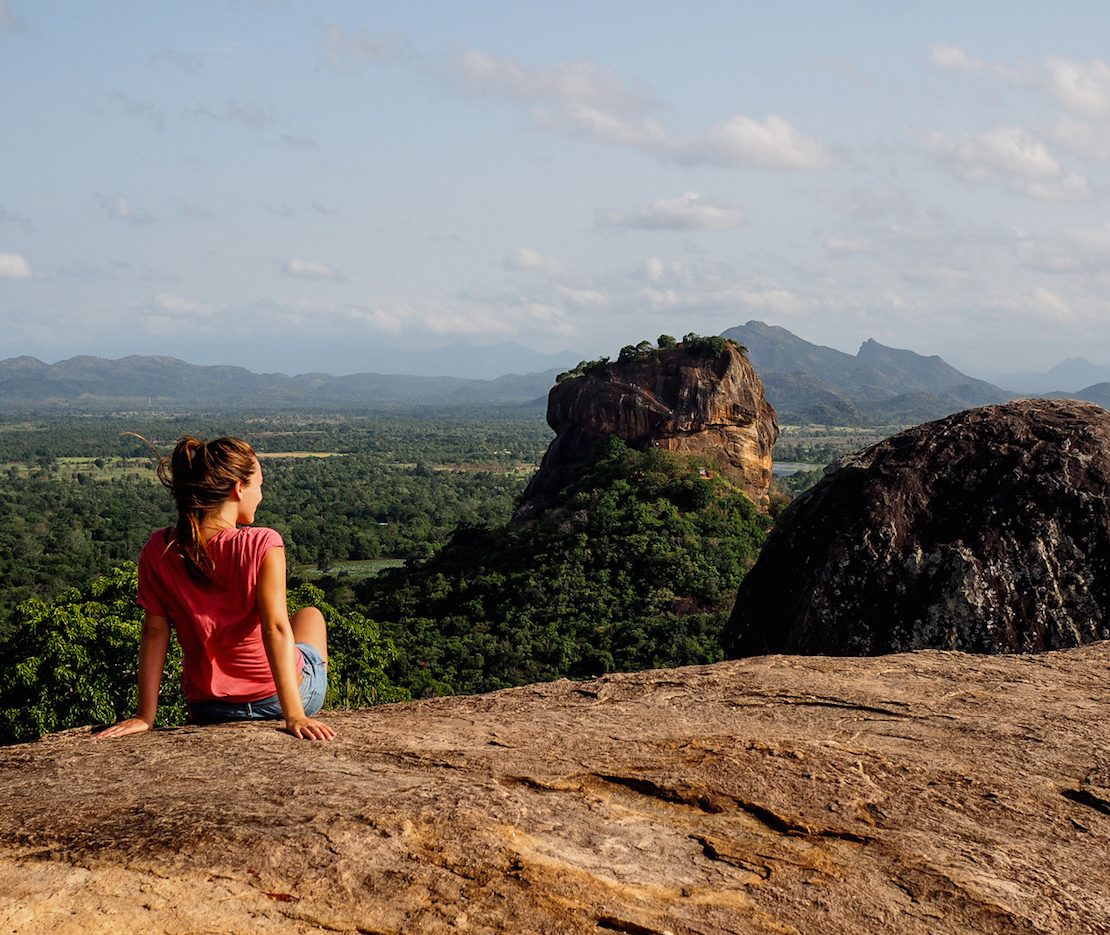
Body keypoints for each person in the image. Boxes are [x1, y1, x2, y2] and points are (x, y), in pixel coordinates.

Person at [97, 435, 335, 742]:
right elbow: (274, 629)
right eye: (258, 485)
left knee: (300, 618)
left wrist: (146, 716)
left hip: (208, 708)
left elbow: (155, 633)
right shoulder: (262, 544)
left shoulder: (159, 549)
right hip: (275, 701)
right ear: (238, 488)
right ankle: (298, 695)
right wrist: (295, 715)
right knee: (311, 616)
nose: (261, 495)